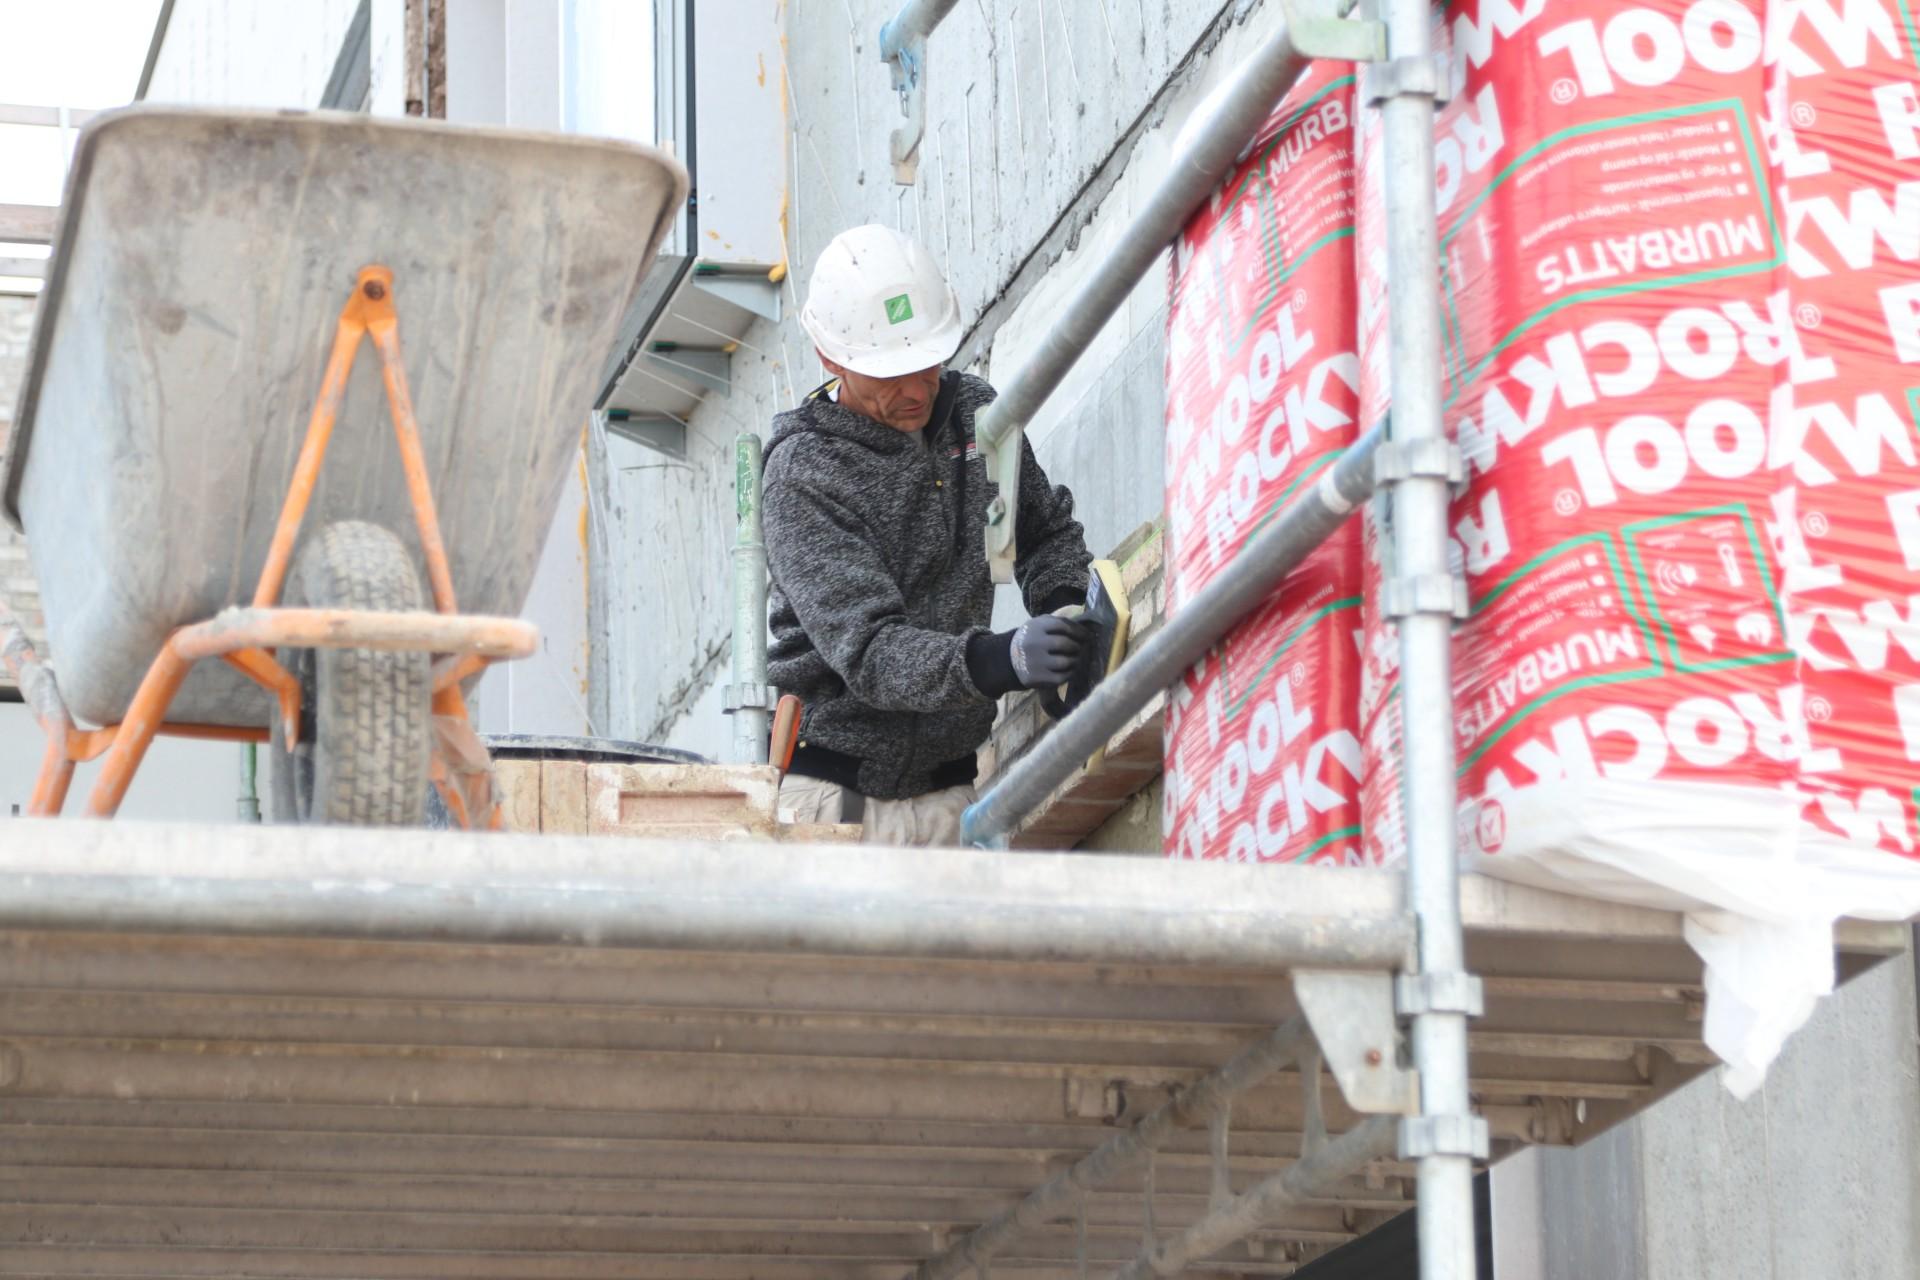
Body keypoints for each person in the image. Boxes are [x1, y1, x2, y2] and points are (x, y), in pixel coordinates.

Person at [763, 224, 1093, 846]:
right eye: (889, 375)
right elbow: (871, 653)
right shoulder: (804, 475)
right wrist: (1003, 658)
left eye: (927, 364)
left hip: (951, 793)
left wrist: (1064, 612)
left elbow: (1043, 533)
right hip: (834, 803)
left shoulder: (976, 415)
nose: (916, 390)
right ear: (831, 358)